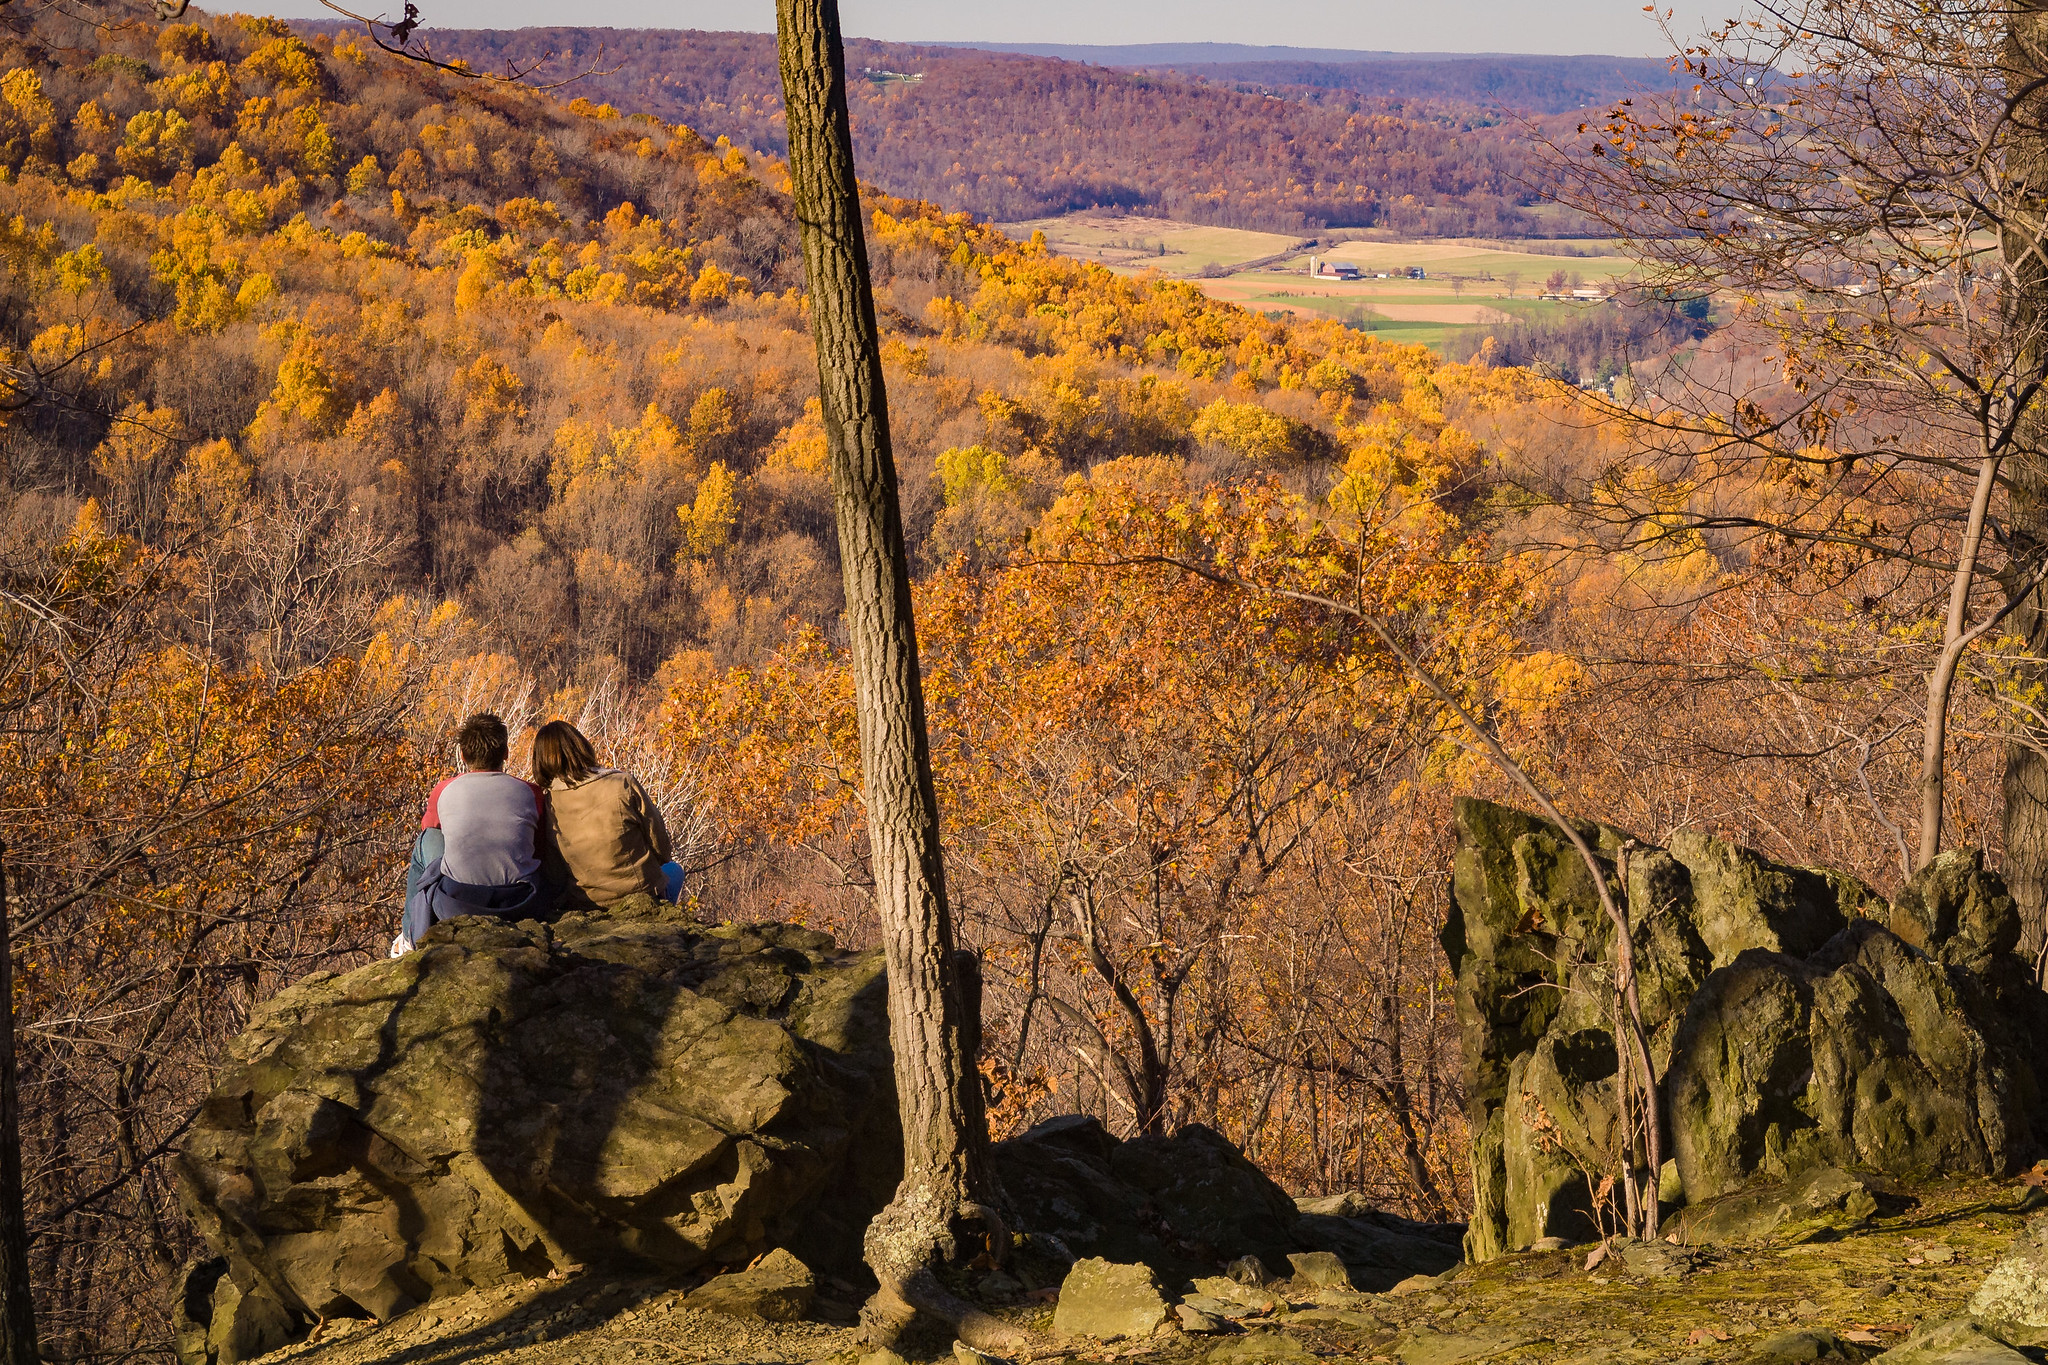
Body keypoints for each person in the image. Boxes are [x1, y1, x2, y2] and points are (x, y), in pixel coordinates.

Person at [392, 712, 547, 955]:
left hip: (455, 904)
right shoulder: (531, 792)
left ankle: (410, 938)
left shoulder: (444, 790)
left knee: (428, 839)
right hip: (521, 903)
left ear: (463, 755)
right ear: (505, 753)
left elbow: (430, 831)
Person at [531, 719, 684, 908]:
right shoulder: (622, 783)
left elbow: (555, 871)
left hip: (585, 900)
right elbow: (659, 842)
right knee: (675, 870)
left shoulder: (548, 802)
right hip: (640, 894)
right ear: (580, 747)